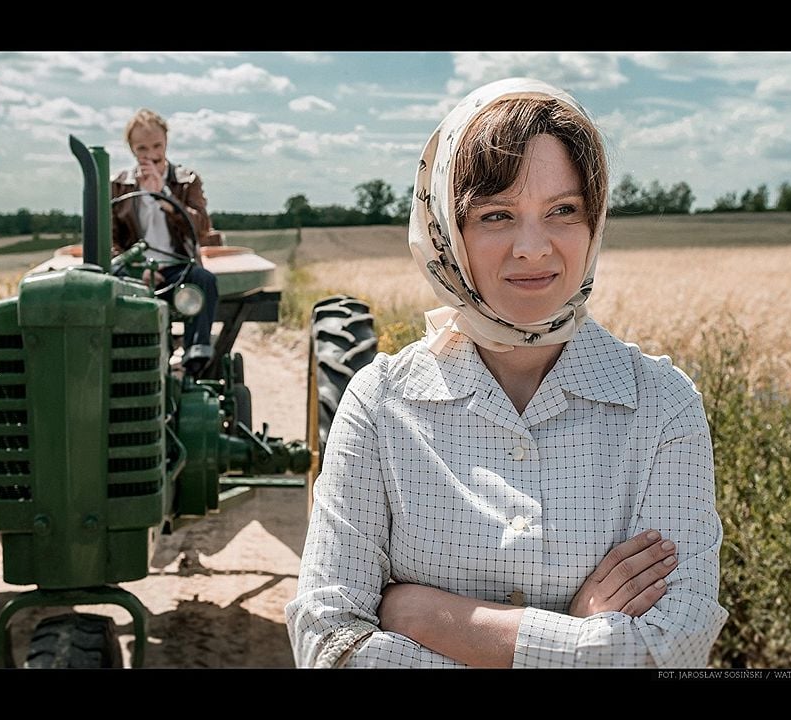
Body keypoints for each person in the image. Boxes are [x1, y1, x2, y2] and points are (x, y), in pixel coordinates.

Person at [285, 78, 728, 668]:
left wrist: (423, 616)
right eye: (496, 215)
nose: (533, 248)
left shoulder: (662, 405)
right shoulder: (380, 406)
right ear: (447, 231)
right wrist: (573, 635)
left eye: (563, 211)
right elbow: (329, 644)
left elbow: (673, 651)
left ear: (594, 221)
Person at [111, 108, 223, 377]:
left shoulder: (186, 180)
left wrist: (165, 196)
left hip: (178, 267)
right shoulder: (119, 185)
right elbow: (111, 240)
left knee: (205, 280)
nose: (151, 154)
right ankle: (124, 360)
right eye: (142, 148)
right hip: (136, 268)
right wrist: (139, 268)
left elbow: (201, 225)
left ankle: (195, 360)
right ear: (132, 150)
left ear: (166, 142)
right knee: (108, 282)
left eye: (157, 145)